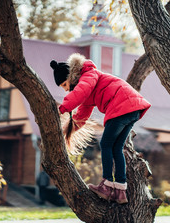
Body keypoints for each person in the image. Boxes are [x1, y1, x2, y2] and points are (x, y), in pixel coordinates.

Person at [50, 53, 151, 204]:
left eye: (65, 85)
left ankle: (107, 185)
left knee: (106, 144)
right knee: (116, 148)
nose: (66, 90)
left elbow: (80, 91)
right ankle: (120, 191)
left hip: (121, 105)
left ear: (71, 76)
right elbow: (81, 115)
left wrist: (62, 108)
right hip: (132, 109)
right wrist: (66, 131)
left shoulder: (89, 75)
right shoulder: (90, 84)